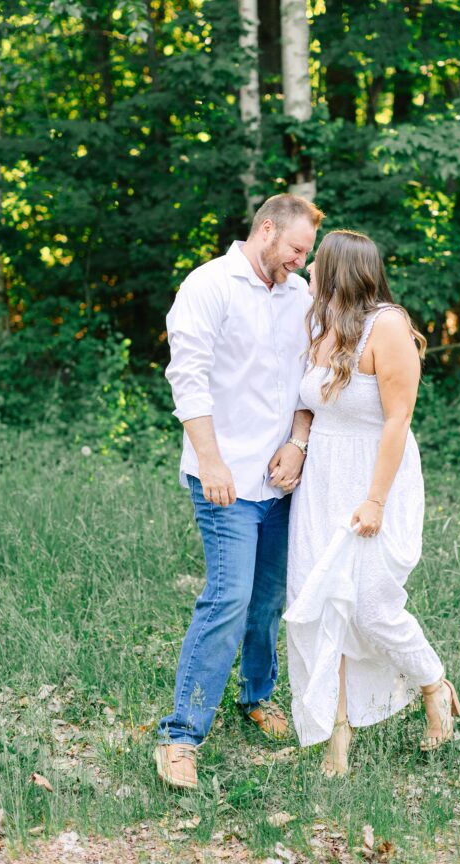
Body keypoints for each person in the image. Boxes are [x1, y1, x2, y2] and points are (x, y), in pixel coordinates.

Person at [155, 194, 323, 790]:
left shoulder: (300, 296)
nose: (301, 263)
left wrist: (299, 443)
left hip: (281, 479)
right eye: (296, 250)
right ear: (267, 230)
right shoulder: (209, 285)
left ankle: (257, 696)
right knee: (228, 597)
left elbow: (312, 382)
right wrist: (210, 461)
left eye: (307, 254)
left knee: (268, 597)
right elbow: (188, 379)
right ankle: (181, 735)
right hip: (222, 475)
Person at [284, 229, 460, 776]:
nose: (308, 269)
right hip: (321, 481)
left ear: (339, 270)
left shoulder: (388, 326)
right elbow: (307, 403)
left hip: (377, 476)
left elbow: (397, 418)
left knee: (370, 604)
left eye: (316, 263)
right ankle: (336, 735)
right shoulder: (319, 323)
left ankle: (432, 681)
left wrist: (376, 500)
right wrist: (298, 442)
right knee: (319, 606)